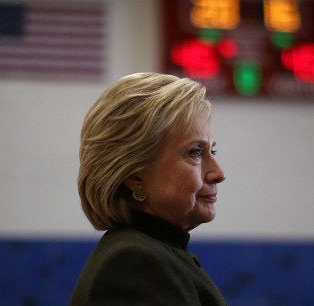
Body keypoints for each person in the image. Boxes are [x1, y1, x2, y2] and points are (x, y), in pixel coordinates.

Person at [69, 73, 227, 305]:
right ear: (134, 175)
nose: (219, 173)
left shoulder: (153, 253)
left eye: (211, 152)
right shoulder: (135, 264)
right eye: (195, 152)